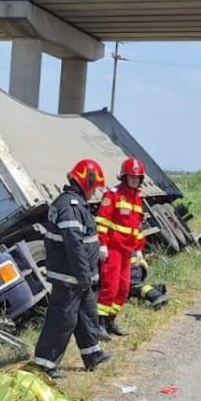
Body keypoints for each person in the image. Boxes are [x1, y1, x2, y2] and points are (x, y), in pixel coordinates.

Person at [31, 159, 112, 378]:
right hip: (70, 276)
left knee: (87, 314)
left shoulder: (73, 203)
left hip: (78, 276)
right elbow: (74, 244)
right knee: (63, 319)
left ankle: (92, 353)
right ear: (87, 181)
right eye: (94, 188)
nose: (95, 193)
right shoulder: (70, 206)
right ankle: (45, 363)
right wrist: (84, 274)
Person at [95, 157, 147, 337]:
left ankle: (110, 321)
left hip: (128, 251)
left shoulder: (137, 198)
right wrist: (102, 244)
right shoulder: (113, 194)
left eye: (137, 177)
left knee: (124, 288)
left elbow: (137, 227)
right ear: (124, 176)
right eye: (131, 177)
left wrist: (139, 249)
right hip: (112, 249)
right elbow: (102, 221)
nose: (134, 180)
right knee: (110, 286)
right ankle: (99, 324)